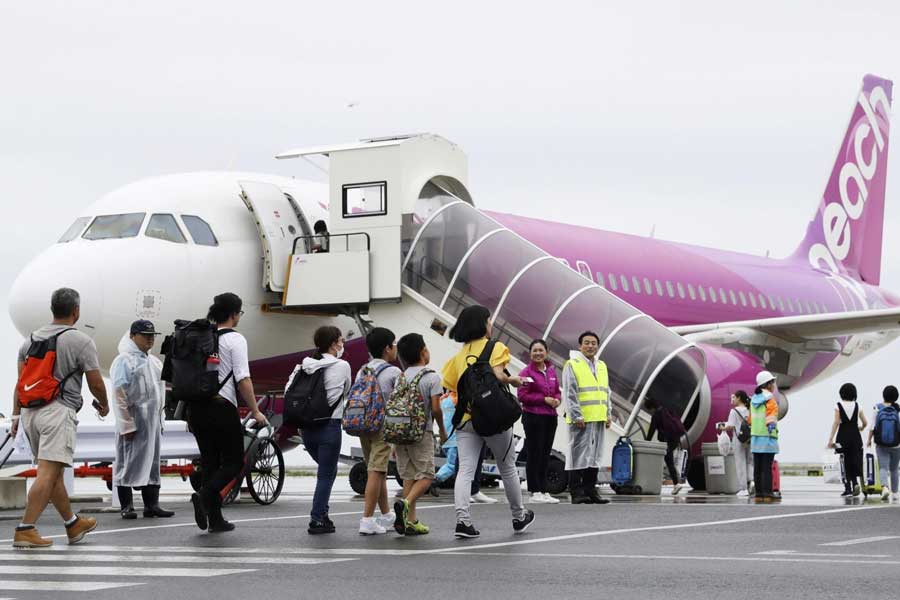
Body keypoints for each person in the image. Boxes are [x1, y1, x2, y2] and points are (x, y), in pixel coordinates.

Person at [12, 288, 108, 548]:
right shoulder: (80, 340)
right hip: (58, 410)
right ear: (76, 311)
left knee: (52, 474)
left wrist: (15, 416)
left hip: (30, 412)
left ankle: (72, 524)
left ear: (52, 309)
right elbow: (96, 382)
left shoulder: (29, 340)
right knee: (47, 472)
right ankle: (25, 528)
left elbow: (21, 383)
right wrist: (104, 405)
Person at [441, 305, 533, 538]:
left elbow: (451, 386)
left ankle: (463, 521)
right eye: (489, 320)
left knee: (466, 470)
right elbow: (500, 375)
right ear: (482, 323)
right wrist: (514, 380)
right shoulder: (496, 347)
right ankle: (518, 517)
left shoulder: (457, 358)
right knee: (507, 467)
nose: (491, 324)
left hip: (466, 420)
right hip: (493, 417)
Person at [189, 293, 269, 534]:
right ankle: (205, 496)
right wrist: (255, 411)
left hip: (196, 407)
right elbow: (243, 378)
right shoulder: (235, 339)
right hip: (222, 407)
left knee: (210, 462)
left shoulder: (200, 337)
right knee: (235, 461)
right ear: (234, 314)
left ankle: (215, 519)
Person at [289, 325, 351, 534]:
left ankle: (323, 513)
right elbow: (346, 390)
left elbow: (289, 390)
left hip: (306, 427)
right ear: (333, 344)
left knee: (327, 471)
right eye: (341, 341)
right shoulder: (342, 366)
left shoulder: (302, 366)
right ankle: (317, 517)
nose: (343, 345)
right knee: (326, 474)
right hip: (329, 425)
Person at [110, 320, 173, 519]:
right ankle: (127, 505)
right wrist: (126, 424)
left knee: (153, 462)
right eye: (146, 335)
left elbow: (160, 392)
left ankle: (151, 504)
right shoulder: (124, 361)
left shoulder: (154, 362)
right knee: (127, 462)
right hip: (134, 421)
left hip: (152, 422)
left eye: (152, 335)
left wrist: (160, 420)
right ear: (132, 336)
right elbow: (119, 394)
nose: (150, 339)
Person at [392, 333, 447, 536]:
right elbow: (436, 409)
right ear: (424, 352)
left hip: (400, 433)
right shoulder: (431, 377)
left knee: (408, 476)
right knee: (426, 476)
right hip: (421, 433)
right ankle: (405, 504)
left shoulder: (401, 377)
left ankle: (410, 520)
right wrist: (441, 429)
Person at [356, 327, 399, 535]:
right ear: (387, 348)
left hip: (364, 425)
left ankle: (386, 514)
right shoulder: (393, 372)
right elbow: (400, 404)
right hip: (383, 426)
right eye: (394, 344)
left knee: (377, 470)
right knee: (376, 470)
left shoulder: (362, 370)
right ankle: (366, 519)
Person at [562, 331, 611, 505]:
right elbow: (570, 392)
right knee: (577, 455)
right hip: (581, 418)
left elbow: (606, 391)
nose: (590, 346)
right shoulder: (572, 364)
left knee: (595, 455)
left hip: (598, 416)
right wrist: (576, 415)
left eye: (593, 343)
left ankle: (591, 490)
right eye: (587, 343)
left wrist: (608, 413)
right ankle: (576, 491)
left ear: (597, 346)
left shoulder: (602, 365)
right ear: (579, 346)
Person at [517, 339, 561, 504]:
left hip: (550, 417)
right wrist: (544, 399)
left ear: (546, 352)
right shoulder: (525, 373)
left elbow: (557, 391)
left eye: (541, 350)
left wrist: (557, 399)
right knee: (534, 453)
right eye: (534, 350)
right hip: (533, 417)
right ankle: (534, 490)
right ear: (530, 353)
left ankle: (543, 489)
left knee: (545, 453)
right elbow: (522, 396)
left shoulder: (550, 371)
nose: (538, 353)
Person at [827, 383, 868, 498]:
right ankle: (855, 483)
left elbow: (836, 422)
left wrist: (830, 439)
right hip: (855, 436)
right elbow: (865, 422)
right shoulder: (857, 406)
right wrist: (861, 427)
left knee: (843, 462)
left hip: (842, 436)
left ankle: (848, 488)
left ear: (841, 393)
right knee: (854, 460)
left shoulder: (838, 405)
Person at [645, 397, 686, 495]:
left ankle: (676, 484)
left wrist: (646, 442)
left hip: (666, 441)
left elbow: (651, 431)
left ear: (651, 407)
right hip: (675, 440)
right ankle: (676, 484)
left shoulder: (656, 415)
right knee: (669, 460)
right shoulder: (668, 409)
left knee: (669, 462)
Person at [750, 371, 780, 502]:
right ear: (767, 385)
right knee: (766, 467)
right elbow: (771, 419)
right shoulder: (770, 399)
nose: (774, 385)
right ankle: (768, 494)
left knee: (757, 467)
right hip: (767, 437)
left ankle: (758, 494)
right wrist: (772, 431)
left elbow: (750, 420)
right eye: (772, 382)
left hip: (755, 437)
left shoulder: (753, 399)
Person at [867, 385, 900, 501]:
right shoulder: (897, 409)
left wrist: (869, 440)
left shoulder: (877, 407)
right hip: (896, 444)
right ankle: (895, 493)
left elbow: (872, 426)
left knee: (883, 467)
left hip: (881, 444)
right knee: (894, 469)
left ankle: (885, 487)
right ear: (896, 397)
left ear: (883, 395)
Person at [719, 390, 753, 497]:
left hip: (738, 440)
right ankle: (751, 482)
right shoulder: (749, 410)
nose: (733, 400)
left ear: (739, 398)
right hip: (749, 439)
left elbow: (730, 426)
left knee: (740, 463)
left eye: (734, 397)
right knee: (749, 462)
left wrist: (722, 427)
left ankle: (743, 488)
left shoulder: (734, 411)